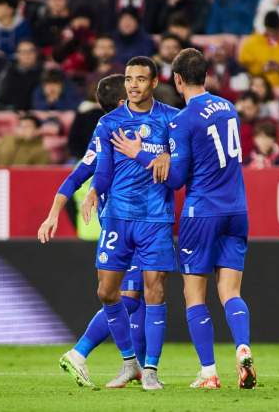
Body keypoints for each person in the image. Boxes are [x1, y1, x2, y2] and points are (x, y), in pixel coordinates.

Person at [113, 48, 256, 389]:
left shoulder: (183, 120)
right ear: (205, 75)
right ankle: (243, 347)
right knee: (231, 290)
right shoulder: (228, 108)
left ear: (176, 80)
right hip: (237, 208)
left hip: (201, 211)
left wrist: (142, 154)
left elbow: (176, 179)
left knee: (195, 294)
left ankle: (208, 372)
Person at [39, 74, 148, 388]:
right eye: (130, 93)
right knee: (127, 297)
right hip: (126, 225)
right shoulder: (116, 135)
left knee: (136, 296)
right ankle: (80, 352)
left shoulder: (104, 135)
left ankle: (137, 367)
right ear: (120, 103)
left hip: (121, 224)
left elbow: (75, 176)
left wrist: (52, 215)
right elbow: (78, 177)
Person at [81, 57, 179, 390]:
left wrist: (169, 156)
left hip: (155, 217)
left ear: (154, 83)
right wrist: (95, 189)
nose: (133, 84)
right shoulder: (109, 123)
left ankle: (150, 369)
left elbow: (185, 163)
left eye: (140, 79)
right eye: (128, 79)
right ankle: (129, 363)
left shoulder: (172, 119)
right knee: (107, 291)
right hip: (117, 217)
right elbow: (104, 169)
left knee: (154, 289)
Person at [238, 11, 279, 87]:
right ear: (266, 29)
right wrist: (262, 68)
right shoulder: (253, 42)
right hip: (258, 85)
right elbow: (245, 64)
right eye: (270, 31)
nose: (273, 34)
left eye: (275, 31)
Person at [0, 40, 43, 111]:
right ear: (17, 55)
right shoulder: (8, 72)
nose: (27, 55)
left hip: (37, 113)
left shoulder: (44, 72)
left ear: (36, 53)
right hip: (11, 112)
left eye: (31, 51)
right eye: (23, 52)